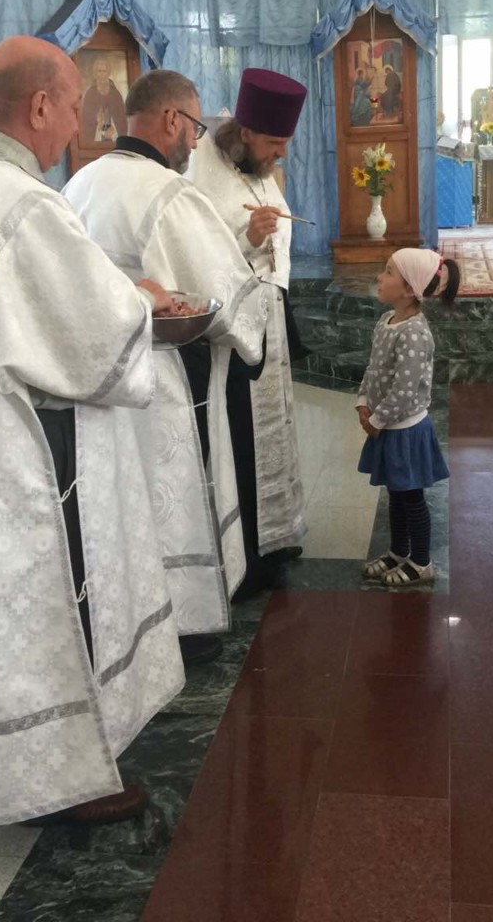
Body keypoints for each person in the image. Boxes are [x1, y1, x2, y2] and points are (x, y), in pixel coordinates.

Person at [0, 36, 185, 827]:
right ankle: (66, 779)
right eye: (71, 109)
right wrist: (141, 301)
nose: (76, 127)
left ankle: (0, 765)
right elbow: (92, 335)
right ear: (37, 106)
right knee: (57, 597)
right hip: (30, 455)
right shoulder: (22, 202)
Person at [63, 70, 267, 646]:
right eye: (194, 127)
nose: (196, 143)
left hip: (98, 378)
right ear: (172, 119)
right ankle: (184, 619)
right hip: (165, 379)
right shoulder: (170, 194)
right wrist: (253, 337)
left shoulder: (78, 184)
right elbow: (224, 289)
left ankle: (125, 614)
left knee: (117, 496)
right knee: (172, 493)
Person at [187, 68, 308, 598]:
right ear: (247, 132)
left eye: (286, 143)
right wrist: (247, 238)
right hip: (233, 332)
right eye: (275, 143)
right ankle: (247, 554)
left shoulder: (259, 167)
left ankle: (277, 536)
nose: (280, 153)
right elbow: (197, 256)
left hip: (269, 318)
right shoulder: (202, 176)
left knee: (275, 429)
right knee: (242, 437)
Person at [357, 249, 460, 585]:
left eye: (388, 272)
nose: (379, 277)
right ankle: (399, 551)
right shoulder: (386, 321)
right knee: (396, 495)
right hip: (387, 426)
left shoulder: (414, 333)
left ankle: (421, 562)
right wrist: (363, 401)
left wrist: (376, 421)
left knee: (411, 498)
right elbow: (374, 368)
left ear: (409, 289)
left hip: (405, 431)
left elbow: (404, 390)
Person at [81, 55, 128, 142]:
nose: (102, 74)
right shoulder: (90, 94)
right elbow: (86, 120)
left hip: (114, 138)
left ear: (108, 72)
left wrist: (113, 129)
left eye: (104, 71)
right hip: (95, 138)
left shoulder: (115, 94)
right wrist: (98, 123)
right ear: (95, 73)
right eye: (99, 71)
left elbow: (121, 119)